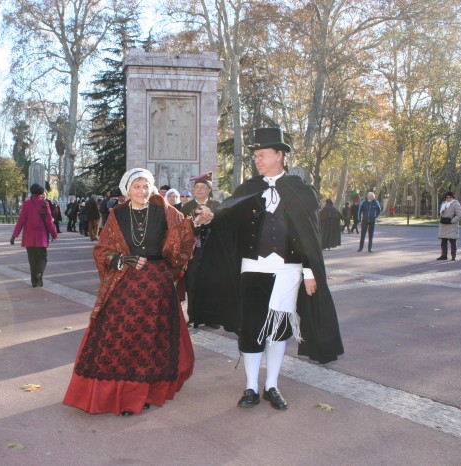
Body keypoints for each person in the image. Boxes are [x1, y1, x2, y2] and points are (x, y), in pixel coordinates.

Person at [193, 127, 343, 410]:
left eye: (262, 155)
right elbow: (225, 218)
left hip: (289, 270)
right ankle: (250, 386)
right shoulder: (249, 189)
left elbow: (309, 235)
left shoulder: (300, 191)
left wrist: (310, 272)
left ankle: (271, 385)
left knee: (278, 330)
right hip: (252, 267)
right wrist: (211, 216)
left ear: (279, 155)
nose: (257, 160)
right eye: (255, 156)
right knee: (252, 328)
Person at [63, 168, 196, 416]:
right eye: (137, 186)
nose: (142, 191)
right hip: (126, 287)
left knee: (152, 340)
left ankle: (146, 392)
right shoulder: (118, 214)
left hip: (157, 286)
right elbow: (103, 249)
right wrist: (122, 260)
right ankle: (123, 393)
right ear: (127, 189)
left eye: (146, 186)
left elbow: (183, 233)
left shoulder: (163, 209)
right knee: (124, 338)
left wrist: (197, 221)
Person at [181, 172, 221, 328]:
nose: (199, 190)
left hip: (213, 252)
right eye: (196, 187)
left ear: (209, 189)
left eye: (202, 187)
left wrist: (210, 220)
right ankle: (194, 317)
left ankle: (213, 318)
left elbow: (223, 226)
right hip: (194, 252)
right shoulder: (188, 207)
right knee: (192, 284)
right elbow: (182, 229)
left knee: (212, 283)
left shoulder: (217, 206)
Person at [10, 183, 58, 287]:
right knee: (42, 258)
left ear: (31, 192)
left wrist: (14, 236)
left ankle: (33, 282)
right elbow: (49, 221)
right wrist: (54, 234)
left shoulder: (26, 204)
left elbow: (21, 221)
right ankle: (40, 273)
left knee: (32, 260)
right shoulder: (45, 204)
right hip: (41, 236)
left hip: (29, 237)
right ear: (41, 192)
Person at [437, 191, 461, 261]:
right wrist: (442, 219)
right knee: (443, 242)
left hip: (452, 226)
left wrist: (451, 221)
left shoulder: (456, 204)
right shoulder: (444, 204)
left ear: (453, 197)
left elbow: (460, 215)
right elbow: (441, 214)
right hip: (444, 225)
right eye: (447, 197)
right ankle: (443, 256)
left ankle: (453, 256)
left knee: (453, 242)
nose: (448, 198)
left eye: (450, 197)